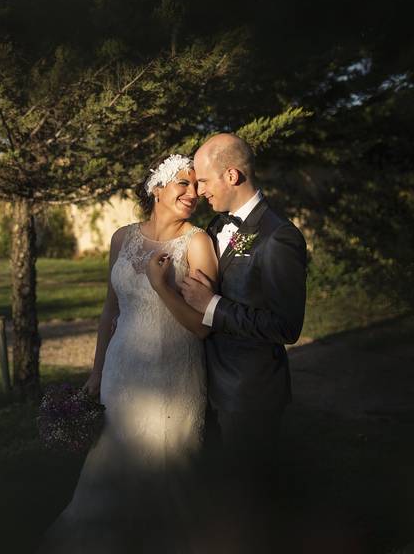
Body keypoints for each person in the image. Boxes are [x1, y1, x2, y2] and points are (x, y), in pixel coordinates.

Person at [37, 154, 219, 553]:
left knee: (168, 476)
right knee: (109, 473)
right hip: (121, 375)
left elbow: (202, 327)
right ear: (157, 188)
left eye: (194, 186)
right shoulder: (123, 238)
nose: (192, 194)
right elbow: (110, 309)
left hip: (173, 380)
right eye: (182, 185)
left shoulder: (199, 243)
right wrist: (96, 373)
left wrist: (161, 285)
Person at [180, 133, 307, 552]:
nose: (198, 191)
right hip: (208, 386)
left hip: (249, 395)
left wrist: (212, 305)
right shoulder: (216, 227)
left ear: (231, 175)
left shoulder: (278, 237)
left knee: (252, 502)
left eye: (202, 181)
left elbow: (285, 326)